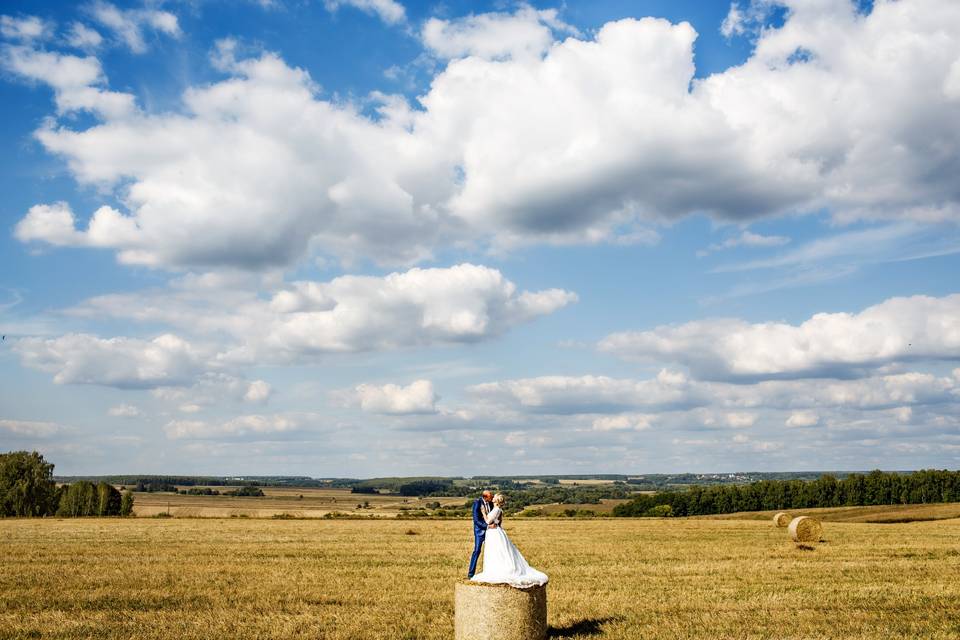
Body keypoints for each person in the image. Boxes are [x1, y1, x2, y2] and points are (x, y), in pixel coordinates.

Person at [470, 493, 548, 588]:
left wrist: (483, 513)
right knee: (498, 552)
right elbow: (498, 521)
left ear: (496, 501)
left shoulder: (495, 509)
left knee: (495, 552)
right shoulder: (498, 510)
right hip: (495, 531)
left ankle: (496, 571)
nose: (492, 497)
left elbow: (487, 521)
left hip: (493, 532)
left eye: (494, 497)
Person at [468, 490, 493, 578]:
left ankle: (490, 572)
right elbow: (476, 520)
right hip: (479, 531)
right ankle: (471, 574)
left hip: (490, 531)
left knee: (491, 551)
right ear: (485, 497)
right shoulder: (477, 503)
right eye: (491, 496)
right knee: (477, 551)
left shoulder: (491, 504)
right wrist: (487, 526)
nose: (492, 498)